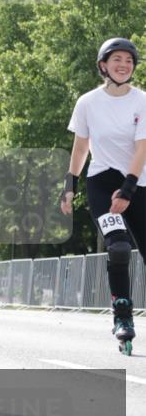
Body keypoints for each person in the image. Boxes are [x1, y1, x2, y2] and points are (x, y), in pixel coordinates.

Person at [60, 38, 146, 355]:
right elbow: (82, 146)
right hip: (100, 182)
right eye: (117, 59)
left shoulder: (142, 101)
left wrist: (128, 188)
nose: (124, 64)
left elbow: (142, 149)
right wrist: (70, 183)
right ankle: (122, 317)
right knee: (119, 246)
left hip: (138, 183)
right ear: (103, 66)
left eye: (129, 60)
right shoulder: (87, 103)